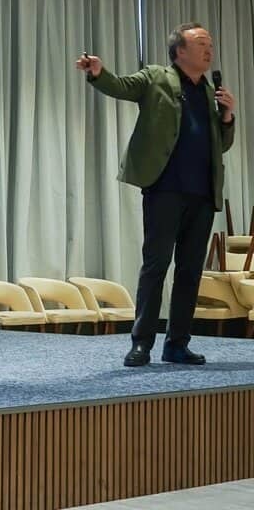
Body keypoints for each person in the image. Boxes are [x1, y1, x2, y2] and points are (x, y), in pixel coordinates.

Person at [77, 22, 236, 367]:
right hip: (165, 188)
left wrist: (227, 116)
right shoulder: (157, 78)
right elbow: (120, 86)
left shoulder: (211, 91)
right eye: (201, 44)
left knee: (191, 271)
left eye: (211, 44)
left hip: (203, 193)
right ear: (180, 51)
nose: (209, 49)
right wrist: (98, 72)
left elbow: (221, 146)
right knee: (156, 265)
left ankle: (177, 343)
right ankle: (142, 343)